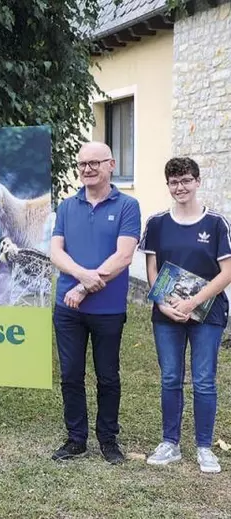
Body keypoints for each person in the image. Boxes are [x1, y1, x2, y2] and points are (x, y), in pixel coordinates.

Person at [49, 142, 141, 464]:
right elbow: (56, 252)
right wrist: (81, 277)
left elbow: (124, 256)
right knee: (70, 375)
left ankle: (108, 440)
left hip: (108, 310)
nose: (87, 169)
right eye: (82, 164)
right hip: (68, 310)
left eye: (94, 163)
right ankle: (76, 439)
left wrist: (85, 289)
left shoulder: (128, 206)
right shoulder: (67, 206)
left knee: (108, 376)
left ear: (111, 164)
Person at [138, 157, 231, 474]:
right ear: (168, 185)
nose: (180, 187)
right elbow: (152, 269)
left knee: (204, 381)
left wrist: (192, 303)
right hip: (166, 314)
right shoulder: (157, 223)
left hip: (208, 313)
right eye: (174, 182)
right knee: (170, 378)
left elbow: (226, 272)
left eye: (186, 180)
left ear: (197, 181)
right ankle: (170, 443)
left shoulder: (216, 224)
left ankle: (204, 447)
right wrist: (163, 303)